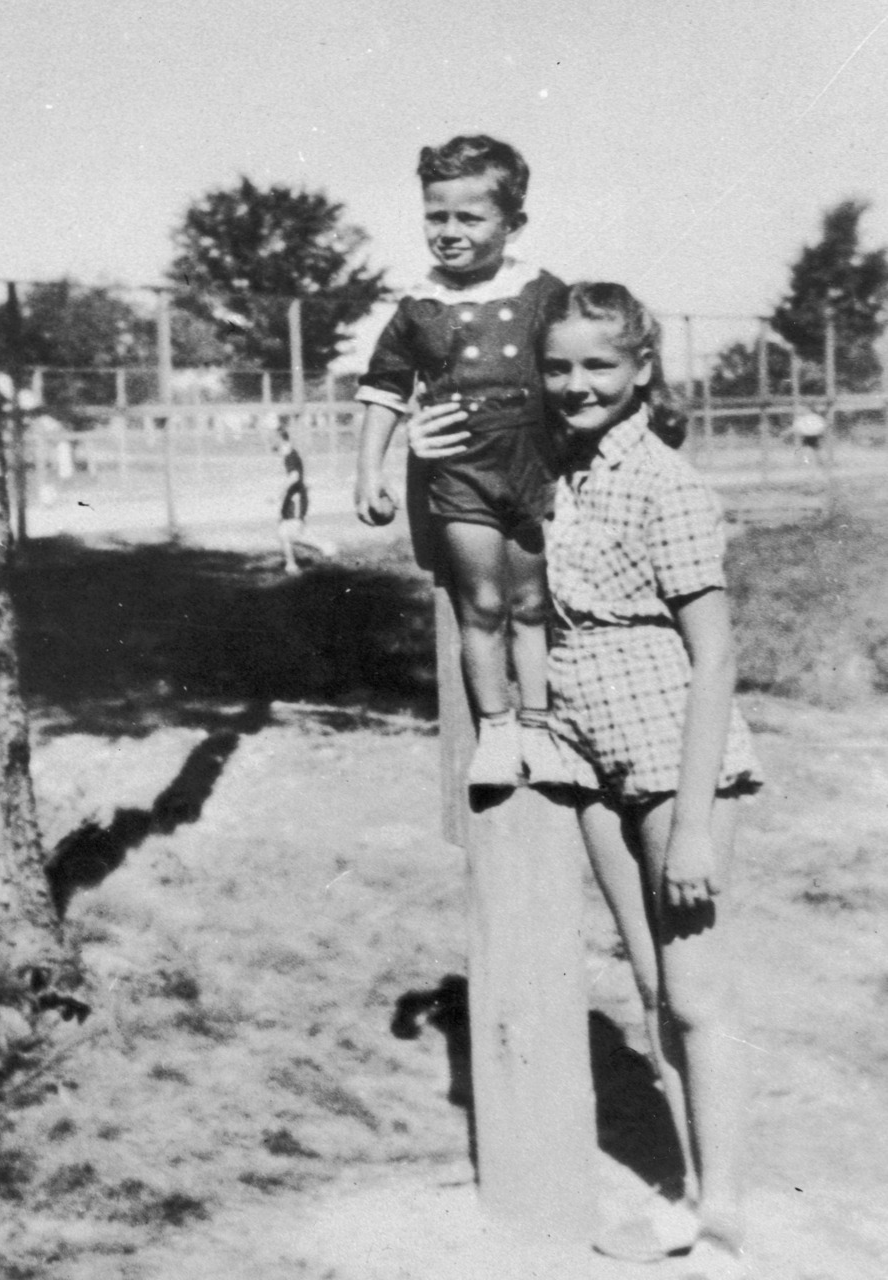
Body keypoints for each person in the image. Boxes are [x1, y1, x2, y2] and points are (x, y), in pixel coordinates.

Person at [410, 282, 762, 1279]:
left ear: (640, 367)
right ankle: (690, 1194)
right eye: (557, 366)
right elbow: (466, 561)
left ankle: (727, 1217)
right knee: (650, 983)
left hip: (670, 751)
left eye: (597, 365)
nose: (574, 384)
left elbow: (716, 659)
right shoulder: (551, 469)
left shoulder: (665, 483)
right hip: (588, 749)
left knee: (695, 991)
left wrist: (692, 822)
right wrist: (426, 454)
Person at [354, 134, 569, 786]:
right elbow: (384, 389)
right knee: (479, 604)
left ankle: (541, 729)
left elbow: (581, 366)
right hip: (461, 481)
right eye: (435, 216)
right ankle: (497, 735)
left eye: (468, 218)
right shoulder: (419, 305)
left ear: (512, 223)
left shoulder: (542, 293)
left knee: (532, 603)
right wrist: (370, 471)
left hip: (535, 476)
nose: (447, 232)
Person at [275, 426, 335, 575]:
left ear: (280, 440)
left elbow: (294, 477)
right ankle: (291, 566)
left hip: (295, 500)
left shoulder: (290, 456)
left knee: (293, 534)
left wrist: (280, 494)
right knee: (283, 532)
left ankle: (324, 546)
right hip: (293, 498)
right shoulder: (289, 455)